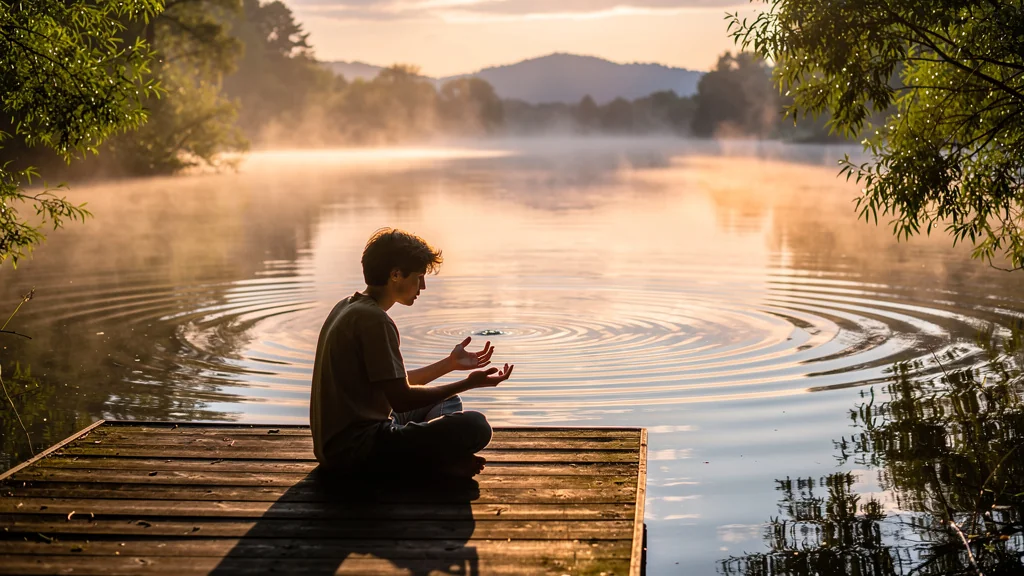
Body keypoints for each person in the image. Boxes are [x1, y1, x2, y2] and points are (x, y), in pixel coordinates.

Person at [310, 228, 514, 478]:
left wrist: (450, 364)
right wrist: (468, 384)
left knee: (446, 402)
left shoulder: (348, 306)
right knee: (476, 426)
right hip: (357, 452)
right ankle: (435, 463)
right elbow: (402, 399)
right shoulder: (375, 321)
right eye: (419, 277)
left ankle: (435, 455)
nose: (424, 286)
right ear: (396, 274)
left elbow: (395, 384)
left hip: (335, 448)